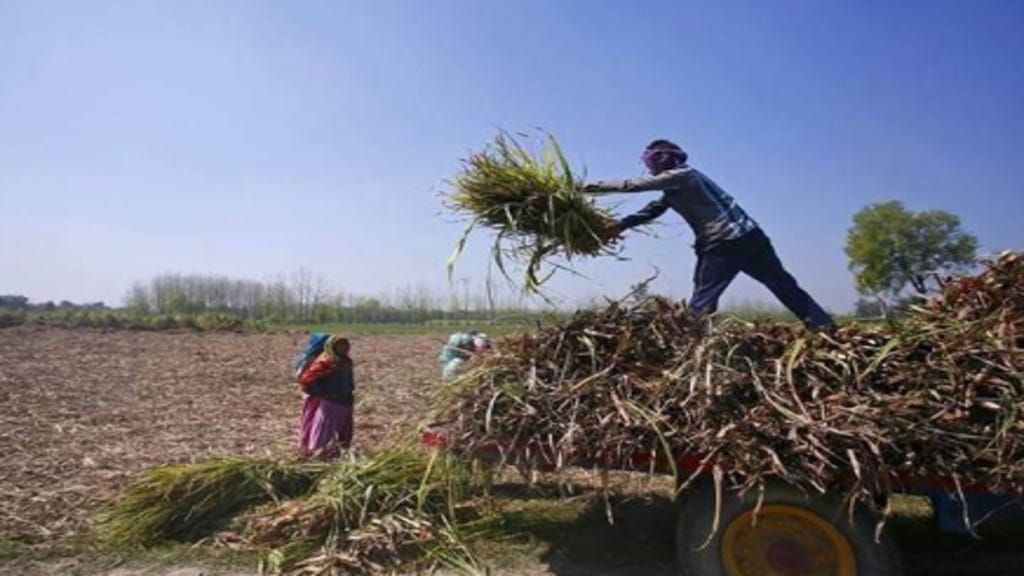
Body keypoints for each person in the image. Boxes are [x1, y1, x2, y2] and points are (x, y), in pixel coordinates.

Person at [583, 139, 836, 330]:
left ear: (662, 160)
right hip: (752, 237)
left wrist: (582, 188)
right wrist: (620, 225)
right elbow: (654, 209)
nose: (649, 170)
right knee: (783, 285)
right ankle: (824, 328)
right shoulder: (682, 182)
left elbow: (632, 186)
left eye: (651, 163)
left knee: (702, 300)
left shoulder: (682, 176)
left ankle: (694, 348)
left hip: (723, 244)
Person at [297, 334, 355, 458]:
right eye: (340, 345)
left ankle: (336, 454)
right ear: (332, 346)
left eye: (345, 345)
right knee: (324, 433)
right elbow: (306, 381)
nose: (344, 348)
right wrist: (324, 394)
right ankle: (318, 456)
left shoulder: (347, 362)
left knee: (342, 432)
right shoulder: (326, 362)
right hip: (330, 404)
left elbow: (350, 381)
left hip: (345, 403)